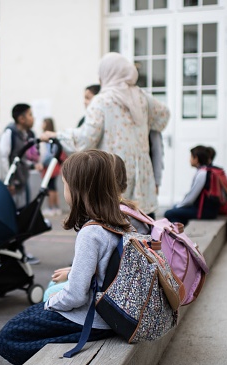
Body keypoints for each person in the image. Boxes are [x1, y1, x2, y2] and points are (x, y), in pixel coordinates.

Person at [0, 149, 126, 365]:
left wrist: (49, 304)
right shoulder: (119, 221)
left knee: (10, 335)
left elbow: (75, 296)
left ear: (78, 190)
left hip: (91, 319)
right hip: (109, 314)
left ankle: (55, 364)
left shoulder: (90, 233)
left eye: (65, 184)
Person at [42, 52, 170, 218]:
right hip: (142, 175)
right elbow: (163, 117)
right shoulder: (142, 97)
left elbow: (86, 139)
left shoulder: (102, 101)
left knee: (114, 223)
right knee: (142, 226)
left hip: (113, 171)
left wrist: (57, 135)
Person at [42, 153, 148, 301]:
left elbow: (78, 293)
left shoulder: (96, 228)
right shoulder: (125, 209)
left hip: (109, 297)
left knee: (49, 292)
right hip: (122, 291)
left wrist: (70, 277)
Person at [0, 103, 41, 265]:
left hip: (22, 182)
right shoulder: (10, 133)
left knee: (22, 216)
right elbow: (3, 157)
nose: (33, 118)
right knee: (15, 217)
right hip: (14, 184)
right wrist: (7, 181)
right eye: (30, 115)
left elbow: (21, 159)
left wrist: (31, 166)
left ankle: (19, 250)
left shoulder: (23, 133)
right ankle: (15, 252)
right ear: (21, 118)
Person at [164, 145, 220, 226]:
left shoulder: (202, 173)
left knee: (169, 213)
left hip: (204, 211)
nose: (189, 160)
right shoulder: (205, 171)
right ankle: (178, 235)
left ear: (196, 159)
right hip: (208, 210)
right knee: (176, 214)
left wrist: (179, 206)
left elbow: (191, 197)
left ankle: (177, 235)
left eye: (191, 157)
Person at [39, 117, 64, 217]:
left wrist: (42, 162)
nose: (41, 125)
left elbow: (49, 153)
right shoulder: (54, 136)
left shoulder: (48, 137)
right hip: (55, 165)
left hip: (50, 166)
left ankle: (51, 208)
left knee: (50, 187)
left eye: (43, 123)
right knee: (53, 187)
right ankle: (56, 207)